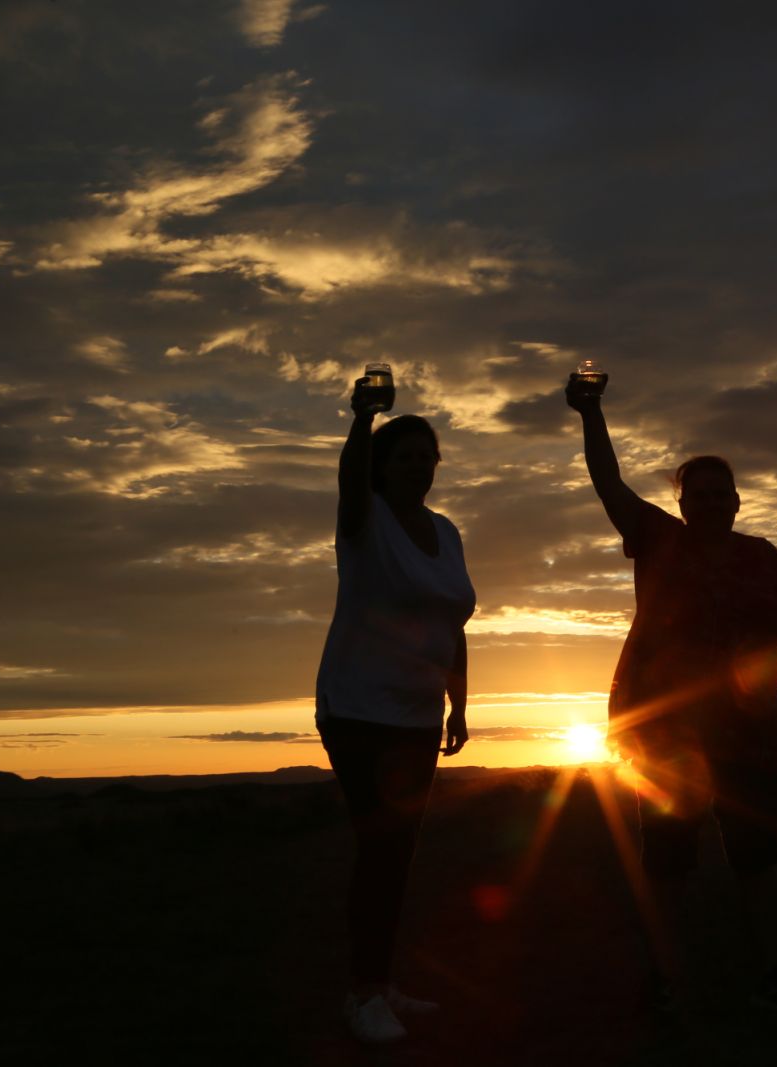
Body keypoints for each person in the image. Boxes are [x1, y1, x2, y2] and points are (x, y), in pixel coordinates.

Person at [565, 370, 777, 1011]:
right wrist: (590, 413)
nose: (708, 503)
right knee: (669, 864)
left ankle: (774, 969)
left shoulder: (763, 556)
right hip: (669, 737)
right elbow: (608, 482)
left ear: (736, 502)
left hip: (754, 730)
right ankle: (666, 975)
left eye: (719, 494)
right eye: (697, 495)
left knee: (758, 857)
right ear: (682, 505)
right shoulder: (658, 541)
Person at [314, 376, 475, 1045]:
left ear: (437, 466)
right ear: (383, 464)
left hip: (417, 717)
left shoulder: (446, 531)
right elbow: (351, 479)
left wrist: (459, 704)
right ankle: (363, 994)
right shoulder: (364, 519)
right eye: (402, 454)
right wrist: (361, 419)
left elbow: (454, 621)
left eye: (424, 455)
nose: (415, 464)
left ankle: (380, 984)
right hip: (358, 708)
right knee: (382, 848)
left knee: (397, 856)